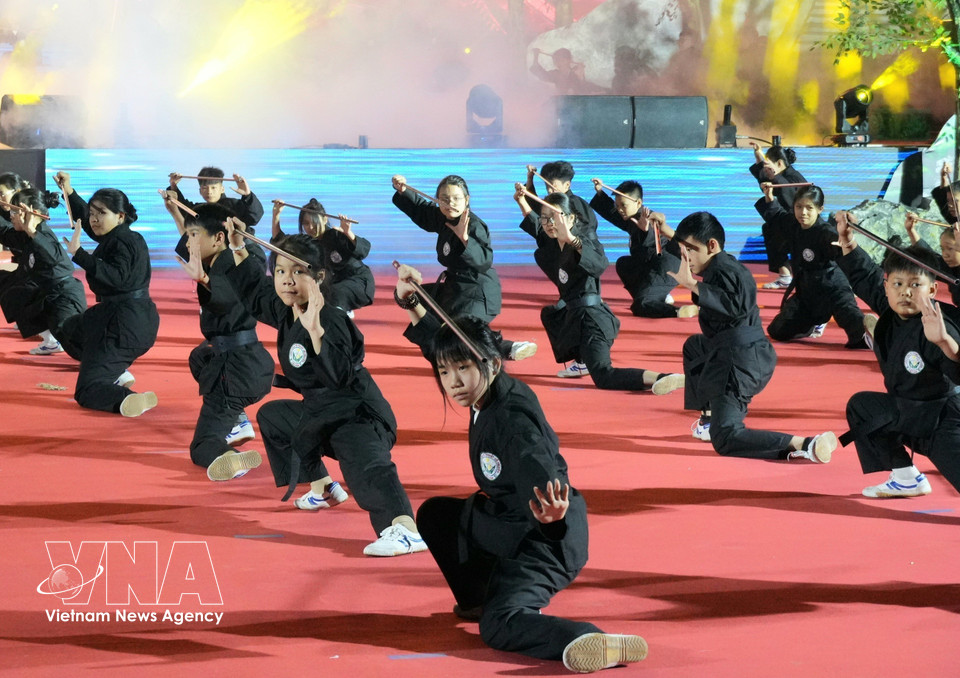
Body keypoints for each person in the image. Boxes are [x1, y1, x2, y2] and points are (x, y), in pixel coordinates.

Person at [394, 265, 648, 674]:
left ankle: (586, 639)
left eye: (462, 369)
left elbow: (540, 465)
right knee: (438, 516)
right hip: (507, 519)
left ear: (492, 363)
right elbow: (438, 343)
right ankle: (480, 599)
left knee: (500, 625)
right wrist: (411, 301)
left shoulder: (512, 418)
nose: (453, 381)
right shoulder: (485, 384)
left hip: (545, 537)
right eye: (444, 371)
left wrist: (552, 519)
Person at [223, 227, 425, 555]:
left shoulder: (331, 318)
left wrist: (316, 329)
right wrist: (237, 246)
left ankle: (404, 527)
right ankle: (324, 489)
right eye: (280, 271)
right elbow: (254, 291)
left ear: (318, 276)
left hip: (358, 414)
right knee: (274, 417)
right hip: (321, 413)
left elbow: (341, 375)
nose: (287, 280)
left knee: (365, 467)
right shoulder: (286, 312)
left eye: (297, 272)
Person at [667, 211, 838, 461]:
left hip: (738, 363)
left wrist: (692, 285)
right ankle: (709, 418)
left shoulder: (724, 271)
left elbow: (734, 306)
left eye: (689, 250)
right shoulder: (723, 265)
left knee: (725, 437)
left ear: (711, 245)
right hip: (743, 352)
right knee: (695, 346)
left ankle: (805, 444)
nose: (685, 257)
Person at [835, 211, 960, 498]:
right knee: (863, 407)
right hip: (907, 410)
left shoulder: (942, 324)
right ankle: (906, 479)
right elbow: (864, 274)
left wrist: (943, 343)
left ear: (932, 288)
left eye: (915, 285)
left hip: (943, 420)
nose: (905, 292)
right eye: (898, 284)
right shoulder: (891, 309)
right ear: (887, 286)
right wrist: (846, 240)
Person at [514, 186, 683, 392]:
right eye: (545, 218)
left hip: (593, 319)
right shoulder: (552, 243)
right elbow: (538, 229)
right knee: (552, 312)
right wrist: (522, 201)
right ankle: (583, 359)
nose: (549, 223)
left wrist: (572, 240)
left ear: (571, 219)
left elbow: (599, 265)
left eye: (555, 218)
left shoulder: (584, 241)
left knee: (604, 375)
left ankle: (664, 377)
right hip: (575, 318)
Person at [168, 201, 275, 481]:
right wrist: (176, 213)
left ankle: (230, 458)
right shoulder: (215, 257)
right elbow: (187, 249)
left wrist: (204, 280)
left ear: (218, 238)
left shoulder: (230, 266)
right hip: (243, 360)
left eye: (194, 236)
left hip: (238, 371)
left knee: (202, 447)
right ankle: (237, 420)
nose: (187, 242)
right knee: (199, 356)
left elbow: (226, 295)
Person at [391, 173, 535, 360]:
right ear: (438, 200)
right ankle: (441, 345)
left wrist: (465, 239)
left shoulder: (474, 225)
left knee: (458, 332)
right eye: (445, 199)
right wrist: (404, 192)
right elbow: (423, 209)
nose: (451, 203)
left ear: (467, 199)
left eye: (456, 198)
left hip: (478, 289)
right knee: (411, 296)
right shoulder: (444, 217)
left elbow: (484, 260)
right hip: (454, 286)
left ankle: (506, 347)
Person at [56, 172, 159, 417]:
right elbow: (83, 219)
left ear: (120, 216)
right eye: (92, 213)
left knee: (87, 391)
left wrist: (80, 255)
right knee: (71, 329)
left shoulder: (124, 241)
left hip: (122, 326)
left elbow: (117, 277)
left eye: (101, 213)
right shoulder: (119, 236)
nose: (93, 219)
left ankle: (129, 398)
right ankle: (113, 371)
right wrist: (69, 192)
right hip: (124, 318)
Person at [756, 183, 868, 349]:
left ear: (820, 209)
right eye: (799, 207)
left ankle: (876, 332)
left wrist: (845, 236)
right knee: (777, 331)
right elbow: (776, 215)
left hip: (833, 289)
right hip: (807, 291)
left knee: (860, 336)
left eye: (809, 208)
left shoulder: (825, 232)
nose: (803, 213)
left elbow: (843, 250)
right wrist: (769, 195)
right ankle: (811, 325)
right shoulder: (793, 225)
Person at [589, 178, 695, 318]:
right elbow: (613, 213)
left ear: (638, 203)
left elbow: (652, 238)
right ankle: (657, 295)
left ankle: (677, 311)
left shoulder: (648, 217)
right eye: (617, 205)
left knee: (641, 304)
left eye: (623, 205)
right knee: (623, 264)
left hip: (667, 267)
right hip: (652, 264)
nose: (619, 209)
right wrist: (600, 192)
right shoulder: (631, 216)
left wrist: (645, 230)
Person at [0, 188, 86, 354]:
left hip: (64, 296)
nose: (11, 215)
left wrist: (32, 231)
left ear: (34, 213)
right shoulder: (26, 235)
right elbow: (3, 232)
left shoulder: (43, 235)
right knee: (8, 286)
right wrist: (30, 231)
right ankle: (50, 339)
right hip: (45, 293)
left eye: (15, 211)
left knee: (73, 341)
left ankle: (115, 369)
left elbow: (52, 256)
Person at [272, 199, 374, 316]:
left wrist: (348, 233)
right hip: (332, 285)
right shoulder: (308, 244)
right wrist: (276, 215)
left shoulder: (336, 234)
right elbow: (280, 243)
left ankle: (342, 316)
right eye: (306, 223)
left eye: (314, 222)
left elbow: (363, 252)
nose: (310, 227)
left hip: (357, 281)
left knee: (334, 296)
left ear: (325, 219)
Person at [749, 143, 807, 289]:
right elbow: (762, 174)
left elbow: (792, 200)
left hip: (802, 224)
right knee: (770, 229)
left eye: (769, 164)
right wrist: (758, 153)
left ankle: (791, 276)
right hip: (789, 221)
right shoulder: (781, 174)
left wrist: (773, 178)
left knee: (774, 230)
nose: (765, 168)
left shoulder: (793, 178)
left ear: (779, 163)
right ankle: (785, 276)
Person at [167, 166, 264, 228]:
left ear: (222, 189)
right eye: (204, 188)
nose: (209, 192)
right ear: (200, 191)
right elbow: (184, 209)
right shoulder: (201, 209)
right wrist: (173, 186)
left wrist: (247, 195)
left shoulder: (235, 205)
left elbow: (254, 217)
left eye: (213, 188)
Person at [525, 161, 598, 235]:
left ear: (567, 185)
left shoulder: (574, 202)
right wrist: (530, 178)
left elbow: (587, 228)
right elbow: (534, 204)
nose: (549, 190)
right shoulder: (554, 203)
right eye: (547, 186)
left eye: (553, 187)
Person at [903, 211, 960, 306]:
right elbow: (930, 257)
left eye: (950, 248)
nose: (945, 254)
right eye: (943, 249)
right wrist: (911, 230)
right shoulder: (950, 267)